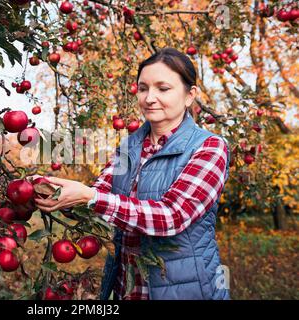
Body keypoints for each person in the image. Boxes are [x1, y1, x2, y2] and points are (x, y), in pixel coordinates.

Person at [34, 47, 231, 300]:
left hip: (185, 290)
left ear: (189, 95)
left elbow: (172, 217)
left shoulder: (209, 147)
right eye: (143, 88)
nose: (149, 98)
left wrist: (90, 197)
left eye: (163, 88)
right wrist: (50, 190)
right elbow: (97, 199)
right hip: (127, 289)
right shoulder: (129, 147)